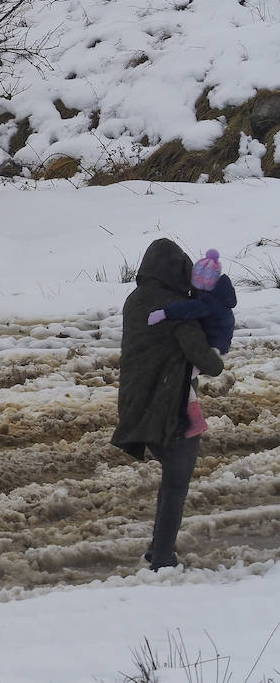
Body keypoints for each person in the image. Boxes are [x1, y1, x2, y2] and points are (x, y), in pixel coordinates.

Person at [112, 238, 224, 571]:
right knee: (176, 482)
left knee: (170, 477)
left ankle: (159, 552)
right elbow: (206, 359)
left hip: (136, 402)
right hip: (168, 407)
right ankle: (162, 559)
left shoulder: (134, 301)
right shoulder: (175, 309)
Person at [146, 248, 236, 437]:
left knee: (181, 377)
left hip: (214, 348)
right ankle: (186, 416)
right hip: (216, 345)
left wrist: (163, 313)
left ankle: (194, 421)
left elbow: (189, 309)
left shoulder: (208, 303)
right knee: (183, 377)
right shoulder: (215, 295)